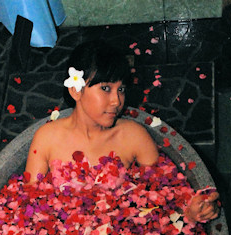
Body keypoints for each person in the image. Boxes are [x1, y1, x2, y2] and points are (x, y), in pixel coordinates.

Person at [25, 40, 220, 224]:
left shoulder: (134, 136)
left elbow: (165, 196)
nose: (116, 101)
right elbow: (27, 207)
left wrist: (193, 210)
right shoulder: (47, 138)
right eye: (105, 88)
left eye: (121, 89)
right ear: (76, 90)